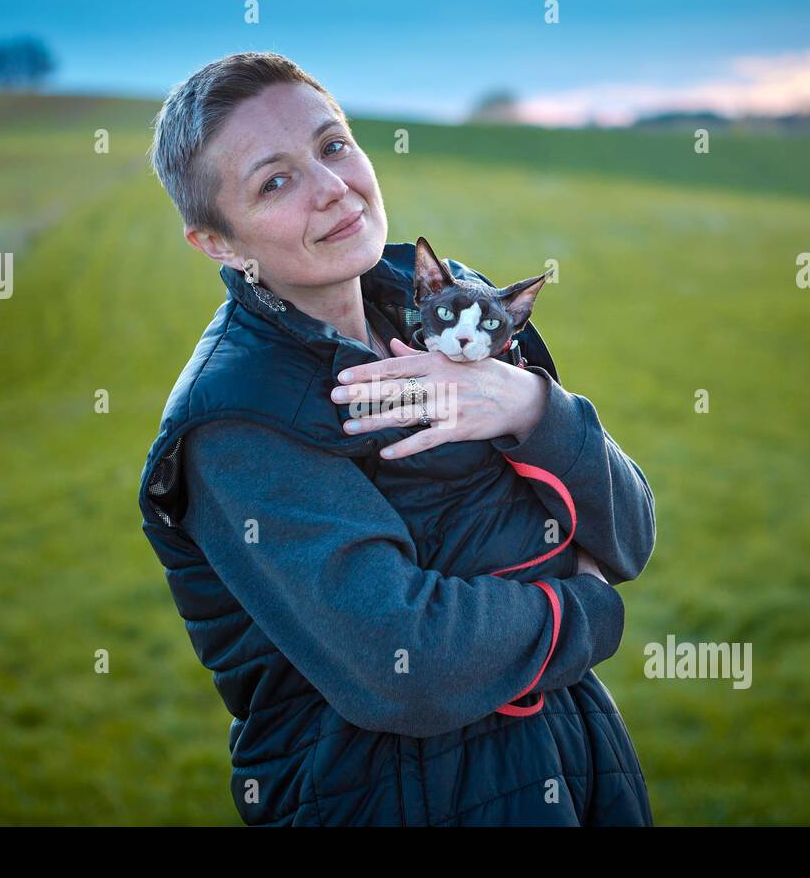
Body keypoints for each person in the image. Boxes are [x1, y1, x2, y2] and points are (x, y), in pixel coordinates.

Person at [138, 51, 657, 825]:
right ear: (218, 242)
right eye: (274, 181)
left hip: (576, 762)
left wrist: (527, 405)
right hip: (391, 798)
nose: (331, 187)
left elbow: (631, 532)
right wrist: (587, 608)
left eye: (333, 144)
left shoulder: (455, 308)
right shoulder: (235, 417)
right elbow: (404, 664)